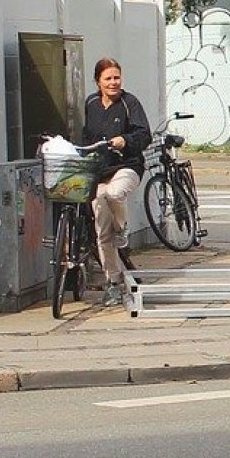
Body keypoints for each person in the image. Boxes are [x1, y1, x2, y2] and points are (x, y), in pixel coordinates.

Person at [81, 57, 151, 307]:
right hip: (100, 171)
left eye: (117, 77)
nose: (113, 82)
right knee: (102, 229)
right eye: (108, 78)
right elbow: (85, 135)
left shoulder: (129, 103)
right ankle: (113, 282)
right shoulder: (90, 103)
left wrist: (126, 140)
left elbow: (144, 135)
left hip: (126, 167)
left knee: (113, 194)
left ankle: (123, 230)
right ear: (98, 81)